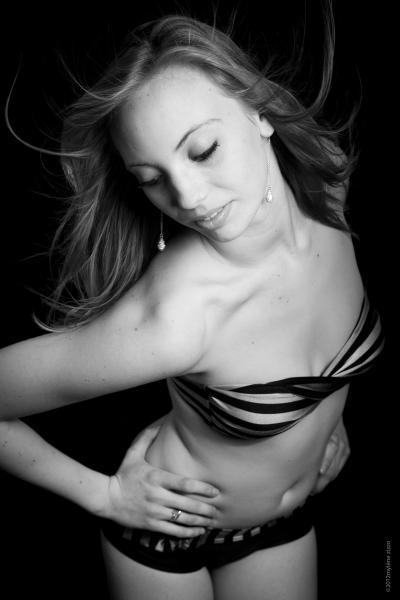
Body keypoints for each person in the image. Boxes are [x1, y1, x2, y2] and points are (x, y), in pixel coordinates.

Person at [1, 8, 384, 600]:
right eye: (151, 178)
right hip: (173, 538)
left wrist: (326, 424)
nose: (186, 196)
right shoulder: (179, 316)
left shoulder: (327, 188)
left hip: (286, 521)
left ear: (260, 113)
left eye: (202, 150)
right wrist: (103, 494)